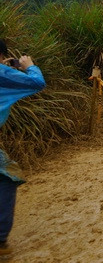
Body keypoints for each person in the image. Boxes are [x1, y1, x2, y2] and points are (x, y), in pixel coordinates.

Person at [0, 40, 46, 256]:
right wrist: (29, 66)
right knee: (7, 178)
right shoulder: (2, 72)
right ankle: (0, 242)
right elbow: (37, 83)